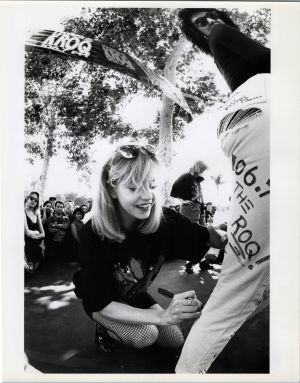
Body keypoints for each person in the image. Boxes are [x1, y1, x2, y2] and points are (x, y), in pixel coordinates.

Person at [175, 8, 270, 373]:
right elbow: (271, 59)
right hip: (262, 115)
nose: (209, 23)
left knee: (239, 278)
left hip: (246, 123)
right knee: (237, 282)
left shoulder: (224, 49)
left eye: (210, 16)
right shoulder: (221, 35)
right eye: (199, 22)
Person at [73, 144, 226, 352]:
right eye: (134, 187)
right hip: (103, 302)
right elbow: (101, 301)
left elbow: (207, 238)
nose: (147, 197)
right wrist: (162, 316)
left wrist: (228, 236)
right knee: (147, 335)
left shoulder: (164, 219)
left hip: (133, 293)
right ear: (112, 189)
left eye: (152, 185)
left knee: (174, 340)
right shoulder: (93, 233)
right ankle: (104, 328)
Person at [171, 161, 213, 273]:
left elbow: (199, 195)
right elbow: (174, 190)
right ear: (198, 168)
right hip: (189, 209)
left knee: (203, 236)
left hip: (199, 209)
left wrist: (203, 209)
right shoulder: (186, 176)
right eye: (202, 170)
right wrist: (183, 201)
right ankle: (189, 263)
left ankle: (202, 263)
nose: (203, 172)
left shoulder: (196, 179)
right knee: (190, 236)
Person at [24, 191, 45, 272]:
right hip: (27, 248)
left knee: (35, 272)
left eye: (36, 200)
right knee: (29, 273)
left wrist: (36, 235)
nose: (33, 201)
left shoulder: (37, 213)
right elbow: (27, 233)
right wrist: (37, 232)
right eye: (31, 198)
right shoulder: (23, 211)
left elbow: (43, 234)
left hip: (37, 248)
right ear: (27, 198)